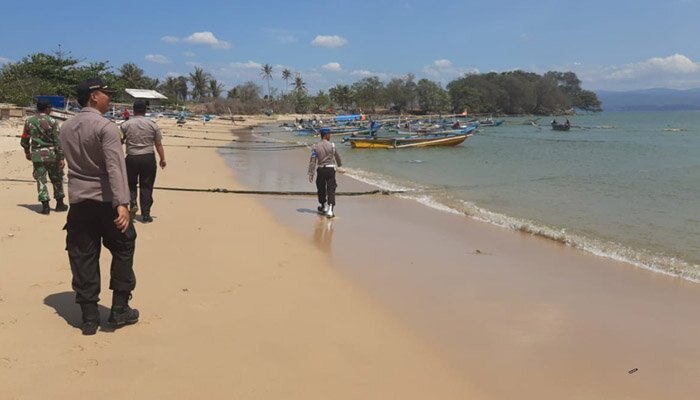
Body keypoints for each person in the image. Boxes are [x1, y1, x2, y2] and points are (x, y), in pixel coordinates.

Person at [59, 78, 138, 335]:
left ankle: (89, 316)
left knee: (83, 253)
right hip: (107, 201)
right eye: (106, 94)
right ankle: (118, 309)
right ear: (94, 96)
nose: (109, 98)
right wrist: (122, 204)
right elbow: (115, 167)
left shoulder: (67, 127)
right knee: (124, 245)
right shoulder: (106, 127)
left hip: (79, 201)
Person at [120, 100, 166, 223]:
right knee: (146, 186)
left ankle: (133, 202)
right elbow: (158, 144)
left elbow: (119, 142)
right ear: (145, 110)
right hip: (148, 158)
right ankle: (146, 215)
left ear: (133, 110)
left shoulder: (125, 125)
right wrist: (162, 159)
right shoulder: (152, 125)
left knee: (130, 184)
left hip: (132, 157)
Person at [20, 100, 68, 214]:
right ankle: (59, 204)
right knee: (56, 179)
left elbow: (25, 138)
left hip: (37, 155)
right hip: (52, 155)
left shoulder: (29, 121)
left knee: (41, 180)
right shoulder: (52, 121)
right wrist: (61, 157)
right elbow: (57, 141)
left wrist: (27, 151)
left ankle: (45, 205)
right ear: (47, 108)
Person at [308, 131, 342, 218]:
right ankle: (330, 210)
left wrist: (311, 173)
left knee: (321, 188)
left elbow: (313, 160)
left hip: (321, 169)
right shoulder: (332, 145)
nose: (330, 136)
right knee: (331, 188)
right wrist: (340, 165)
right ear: (326, 135)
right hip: (330, 169)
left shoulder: (316, 146)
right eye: (329, 134)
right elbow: (337, 157)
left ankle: (324, 206)